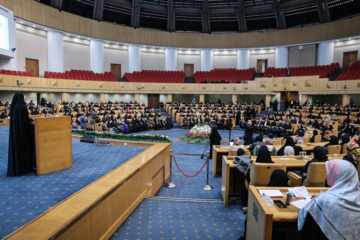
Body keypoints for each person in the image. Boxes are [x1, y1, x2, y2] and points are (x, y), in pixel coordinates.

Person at [298, 160, 360, 240]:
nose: (326, 174)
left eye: (330, 172)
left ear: (336, 175)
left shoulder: (324, 200)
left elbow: (305, 214)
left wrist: (318, 199)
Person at [7, 93, 35, 177]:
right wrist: (31, 121)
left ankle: (17, 169)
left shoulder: (14, 107)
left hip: (15, 132)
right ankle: (24, 168)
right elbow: (25, 121)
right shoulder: (22, 107)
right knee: (24, 149)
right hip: (23, 133)